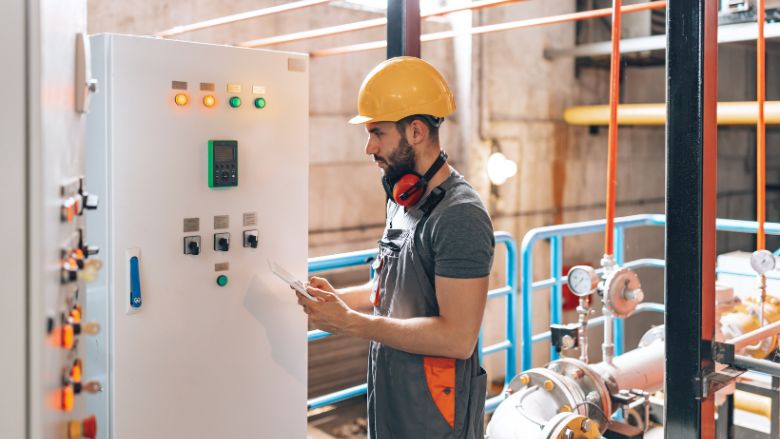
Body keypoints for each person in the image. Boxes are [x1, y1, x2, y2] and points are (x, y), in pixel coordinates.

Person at [296, 56, 495, 439]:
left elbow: (458, 337)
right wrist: (336, 299)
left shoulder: (460, 216)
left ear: (416, 131)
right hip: (392, 392)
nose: (368, 146)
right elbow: (388, 291)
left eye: (377, 132)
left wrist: (351, 323)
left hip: (435, 412)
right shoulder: (403, 200)